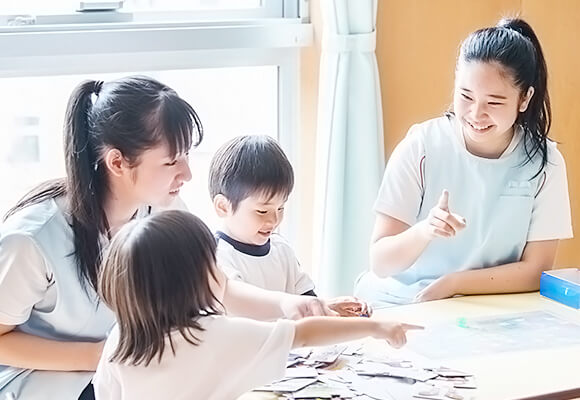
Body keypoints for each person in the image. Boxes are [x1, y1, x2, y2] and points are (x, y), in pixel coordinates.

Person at [0, 76, 333, 400]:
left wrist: (286, 304)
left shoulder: (163, 210)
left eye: (187, 155)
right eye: (172, 160)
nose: (187, 173)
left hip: (127, 369)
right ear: (117, 161)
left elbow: (218, 286)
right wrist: (99, 355)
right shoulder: (32, 239)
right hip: (47, 382)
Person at [355, 18, 572, 307]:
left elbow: (536, 270)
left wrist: (456, 284)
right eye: (465, 96)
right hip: (401, 302)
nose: (475, 113)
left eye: (494, 102)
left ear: (524, 99)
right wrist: (425, 230)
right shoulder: (422, 147)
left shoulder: (545, 162)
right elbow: (380, 262)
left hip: (485, 307)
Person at [93, 210, 420, 400]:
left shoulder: (121, 339)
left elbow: (106, 393)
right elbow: (303, 334)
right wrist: (377, 326)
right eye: (213, 263)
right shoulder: (214, 334)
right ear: (193, 280)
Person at [209, 135, 371, 316]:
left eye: (281, 208)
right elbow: (246, 315)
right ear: (223, 206)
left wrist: (329, 307)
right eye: (262, 211)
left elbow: (305, 298)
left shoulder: (281, 249)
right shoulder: (217, 258)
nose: (274, 220)